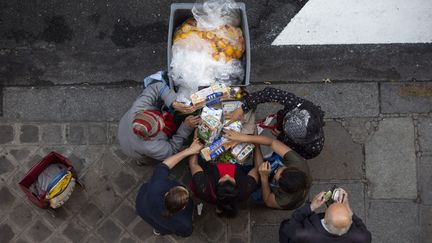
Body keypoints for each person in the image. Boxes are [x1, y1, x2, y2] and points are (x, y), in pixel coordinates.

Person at [118, 71, 200, 162]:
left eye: (158, 117)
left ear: (144, 112)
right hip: (133, 151)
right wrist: (185, 127)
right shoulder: (152, 147)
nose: (164, 115)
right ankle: (142, 162)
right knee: (148, 159)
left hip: (124, 131)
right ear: (151, 136)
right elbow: (172, 150)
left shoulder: (138, 108)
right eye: (162, 126)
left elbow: (156, 87)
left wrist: (173, 102)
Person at [225, 87, 325, 159]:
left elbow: (294, 155)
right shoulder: (297, 104)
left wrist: (281, 137)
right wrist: (242, 108)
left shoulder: (314, 147)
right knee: (244, 95)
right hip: (283, 123)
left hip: (288, 143)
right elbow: (269, 93)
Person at [223, 130, 311, 210]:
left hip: (272, 192)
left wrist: (264, 178)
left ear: (281, 188)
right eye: (280, 169)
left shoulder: (285, 200)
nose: (276, 170)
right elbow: (272, 142)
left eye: (276, 174)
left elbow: (268, 200)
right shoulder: (298, 163)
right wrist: (245, 138)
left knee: (255, 188)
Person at [135, 138, 203, 237]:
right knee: (163, 227)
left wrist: (189, 150)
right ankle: (160, 230)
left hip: (143, 207)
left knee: (158, 224)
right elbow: (185, 233)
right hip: (157, 217)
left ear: (167, 194)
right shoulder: (184, 223)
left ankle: (158, 230)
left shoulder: (156, 187)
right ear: (183, 207)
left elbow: (164, 166)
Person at [188, 132, 260, 218]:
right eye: (231, 178)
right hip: (236, 161)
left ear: (216, 186)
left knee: (202, 156)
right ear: (237, 186)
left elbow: (193, 164)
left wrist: (195, 141)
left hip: (211, 164)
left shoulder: (203, 186)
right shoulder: (246, 187)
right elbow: (258, 168)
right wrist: (256, 142)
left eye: (223, 178)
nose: (226, 175)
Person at [279, 188, 372, 243]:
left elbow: (286, 227)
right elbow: (360, 225)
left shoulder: (305, 234)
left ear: (325, 220)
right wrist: (348, 208)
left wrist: (311, 207)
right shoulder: (362, 237)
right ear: (350, 222)